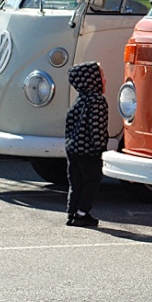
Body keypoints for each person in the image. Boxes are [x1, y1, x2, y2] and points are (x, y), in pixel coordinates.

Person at [64, 61, 108, 228]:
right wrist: (100, 148)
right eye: (101, 76)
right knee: (91, 181)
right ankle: (82, 213)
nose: (104, 80)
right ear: (92, 80)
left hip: (73, 150)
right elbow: (96, 127)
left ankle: (72, 212)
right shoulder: (97, 101)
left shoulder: (79, 100)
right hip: (89, 151)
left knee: (76, 183)